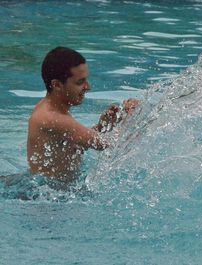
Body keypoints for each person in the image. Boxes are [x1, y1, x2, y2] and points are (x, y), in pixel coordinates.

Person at [27, 47, 139, 183]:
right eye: (80, 82)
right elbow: (111, 144)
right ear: (56, 85)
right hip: (46, 197)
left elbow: (76, 145)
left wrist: (103, 126)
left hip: (54, 190)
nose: (88, 87)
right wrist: (131, 117)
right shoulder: (51, 117)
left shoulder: (55, 111)